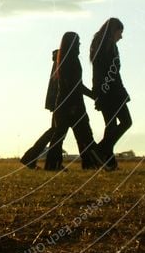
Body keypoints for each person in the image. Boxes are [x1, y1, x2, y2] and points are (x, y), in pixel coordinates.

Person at [44, 32, 104, 171]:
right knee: (84, 135)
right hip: (73, 104)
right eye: (78, 42)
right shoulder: (72, 60)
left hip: (64, 104)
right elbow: (76, 85)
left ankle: (53, 165)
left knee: (60, 137)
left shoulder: (63, 59)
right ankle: (91, 163)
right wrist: (93, 95)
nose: (79, 45)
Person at [90, 18, 132, 171]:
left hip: (106, 92)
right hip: (113, 92)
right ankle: (100, 150)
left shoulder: (100, 46)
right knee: (126, 122)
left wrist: (99, 92)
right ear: (113, 31)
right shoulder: (109, 47)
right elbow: (110, 73)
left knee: (111, 125)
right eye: (120, 33)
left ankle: (109, 162)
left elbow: (99, 73)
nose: (121, 36)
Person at [20, 50, 59, 169]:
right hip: (60, 102)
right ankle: (39, 159)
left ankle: (33, 157)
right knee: (55, 131)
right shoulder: (62, 62)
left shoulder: (57, 62)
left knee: (55, 131)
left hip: (56, 101)